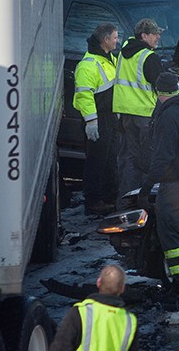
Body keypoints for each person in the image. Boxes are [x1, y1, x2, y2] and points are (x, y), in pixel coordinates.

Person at [136, 73, 179, 299]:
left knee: (170, 236)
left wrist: (146, 189)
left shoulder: (169, 116)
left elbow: (163, 157)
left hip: (174, 186)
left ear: (158, 93)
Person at [113, 19, 164, 201]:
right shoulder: (148, 57)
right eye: (155, 33)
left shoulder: (125, 51)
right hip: (145, 116)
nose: (158, 36)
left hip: (126, 114)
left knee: (129, 158)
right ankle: (138, 201)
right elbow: (162, 88)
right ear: (144, 36)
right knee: (145, 161)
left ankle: (124, 199)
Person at [73, 23, 120, 216]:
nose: (118, 41)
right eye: (115, 37)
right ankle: (93, 202)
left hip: (109, 117)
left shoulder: (108, 59)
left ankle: (109, 198)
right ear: (105, 40)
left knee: (109, 160)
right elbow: (84, 95)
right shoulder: (88, 65)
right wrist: (91, 121)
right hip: (98, 118)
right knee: (96, 161)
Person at [49, 265, 137, 351]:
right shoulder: (130, 322)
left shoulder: (79, 313)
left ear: (98, 282)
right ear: (122, 289)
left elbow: (60, 347)